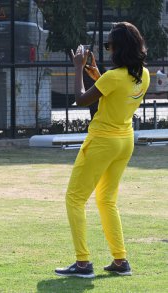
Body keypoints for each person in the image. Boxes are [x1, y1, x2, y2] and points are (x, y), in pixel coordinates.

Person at [55, 22, 150, 278]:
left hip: (102, 141)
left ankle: (83, 263)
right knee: (106, 199)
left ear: (119, 49)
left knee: (74, 198)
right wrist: (96, 75)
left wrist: (77, 67)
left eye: (109, 45)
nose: (107, 49)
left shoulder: (113, 77)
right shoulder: (144, 74)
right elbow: (115, 95)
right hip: (125, 141)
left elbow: (81, 99)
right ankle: (120, 260)